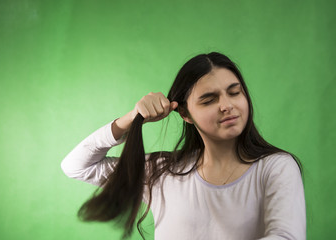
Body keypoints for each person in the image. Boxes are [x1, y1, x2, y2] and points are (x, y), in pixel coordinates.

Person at [61, 52, 306, 240]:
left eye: (234, 92)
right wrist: (131, 118)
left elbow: (286, 236)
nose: (227, 105)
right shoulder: (162, 172)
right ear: (186, 114)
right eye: (209, 99)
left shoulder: (276, 168)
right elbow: (77, 166)